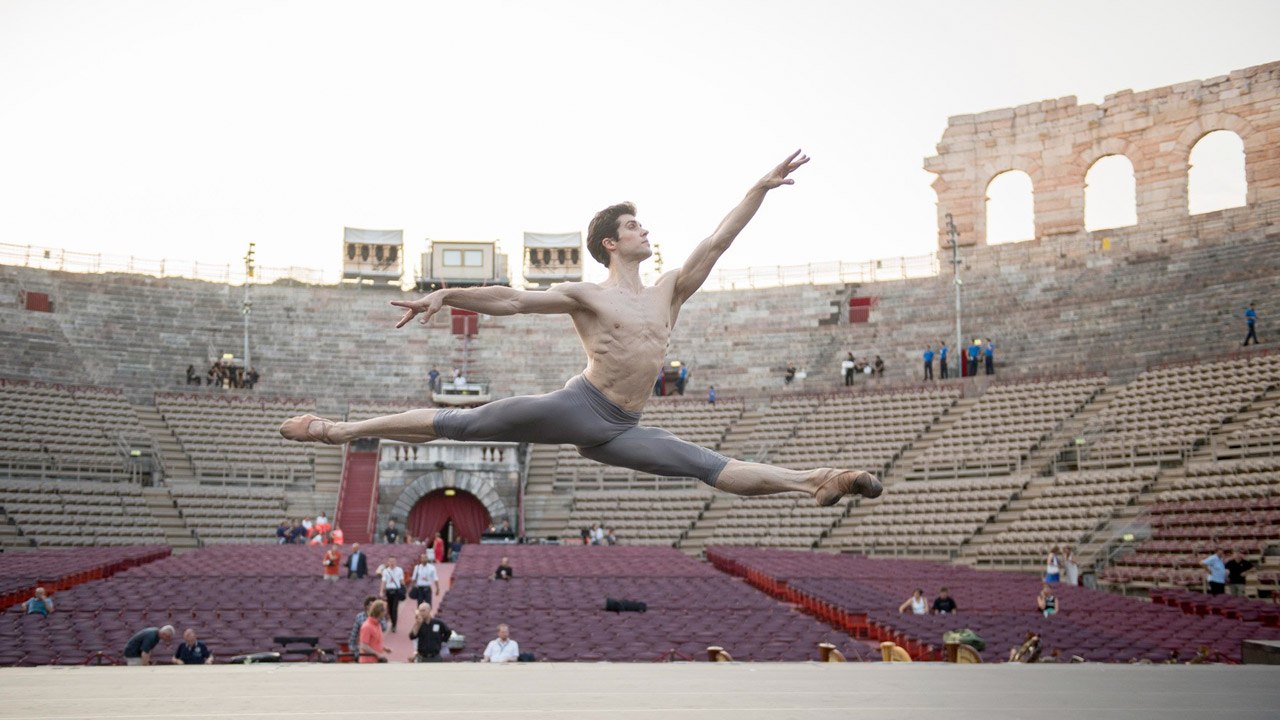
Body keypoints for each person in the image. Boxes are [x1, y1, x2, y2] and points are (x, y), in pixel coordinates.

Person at [279, 152, 881, 509]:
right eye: (634, 226)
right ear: (610, 243)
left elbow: (717, 241)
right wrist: (448, 293)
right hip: (581, 406)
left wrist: (757, 190)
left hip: (622, 427)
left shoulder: (669, 289)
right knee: (464, 423)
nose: (646, 231)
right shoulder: (587, 295)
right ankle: (338, 430)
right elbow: (513, 300)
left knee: (710, 466)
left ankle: (817, 482)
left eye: (643, 224)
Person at [379, 555, 406, 631]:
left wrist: (404, 590)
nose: (392, 563)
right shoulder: (385, 571)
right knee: (390, 609)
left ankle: (394, 625)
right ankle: (392, 621)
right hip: (389, 591)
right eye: (390, 561)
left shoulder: (399, 570)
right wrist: (381, 591)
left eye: (393, 561)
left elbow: (402, 581)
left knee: (394, 608)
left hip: (396, 591)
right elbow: (383, 582)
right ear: (388, 562)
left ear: (396, 562)